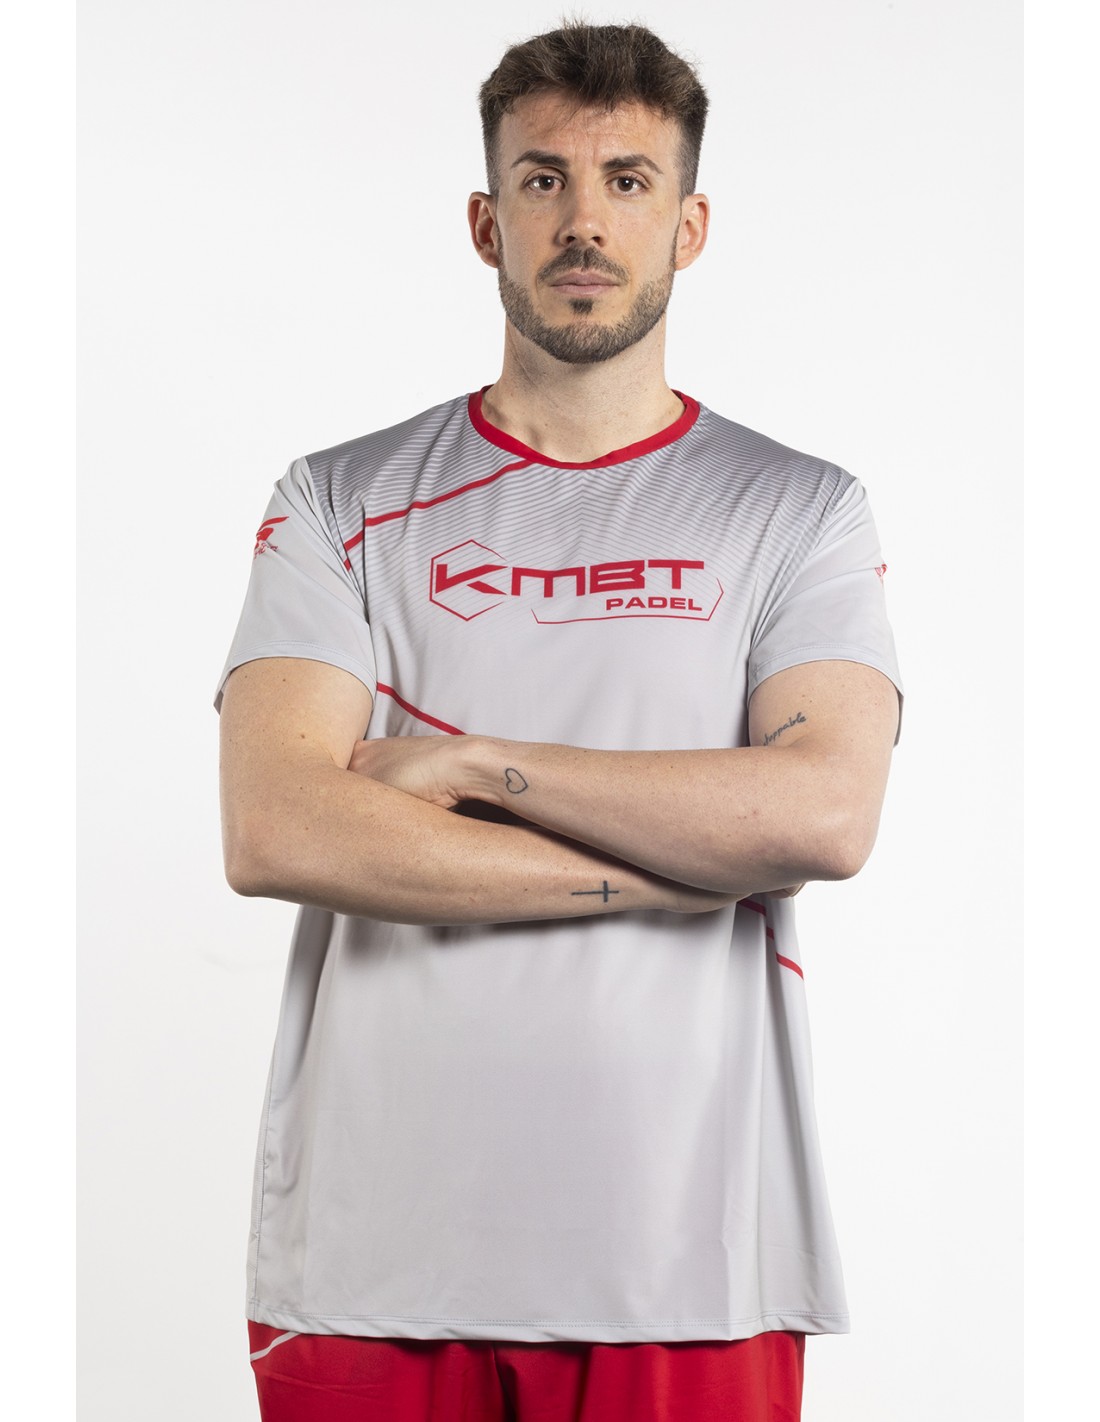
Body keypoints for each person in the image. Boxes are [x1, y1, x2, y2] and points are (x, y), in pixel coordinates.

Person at [217, 20, 901, 1422]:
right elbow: (277, 823)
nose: (585, 222)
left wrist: (479, 762)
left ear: (689, 226)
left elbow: (824, 814)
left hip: (691, 1263)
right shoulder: (339, 500)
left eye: (628, 182)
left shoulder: (800, 510)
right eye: (543, 180)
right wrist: (666, 867)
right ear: (486, 221)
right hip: (371, 1259)